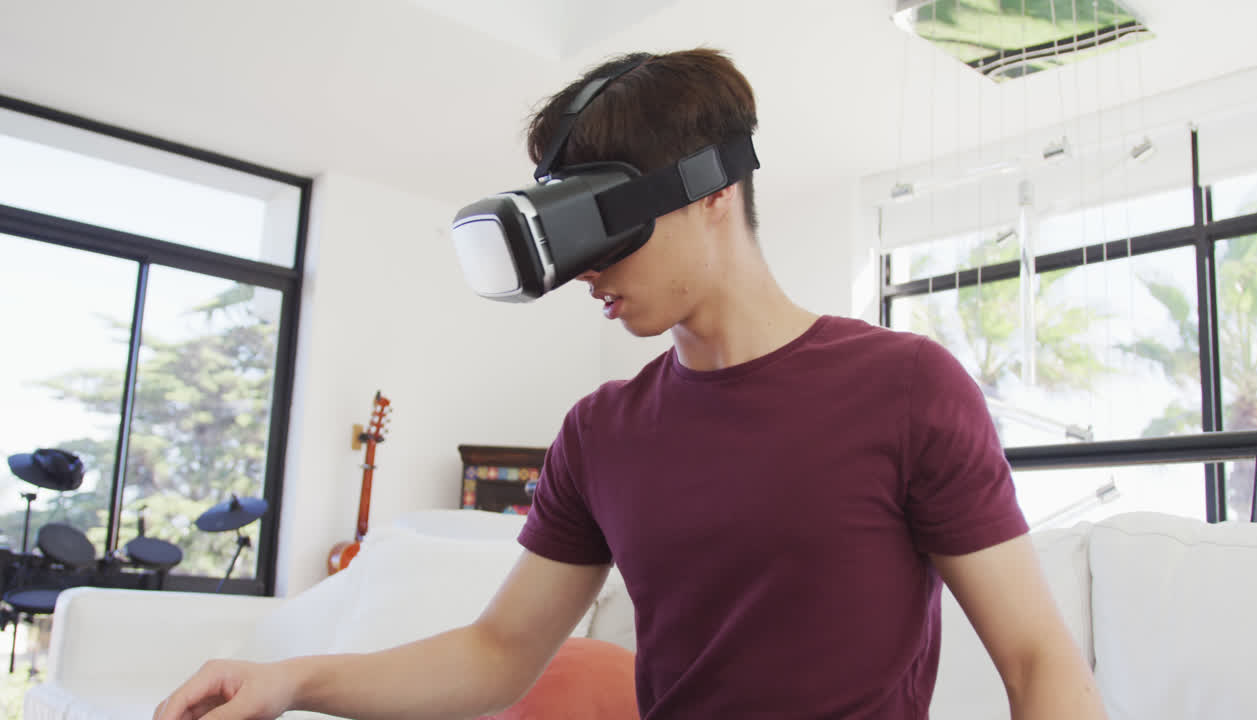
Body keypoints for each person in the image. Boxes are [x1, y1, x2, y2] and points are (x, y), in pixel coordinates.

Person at [155, 48, 1107, 720]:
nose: (586, 271)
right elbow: (497, 656)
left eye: (609, 231)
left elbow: (1037, 662)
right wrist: (290, 680)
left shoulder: (907, 389)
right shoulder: (600, 433)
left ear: (713, 189)